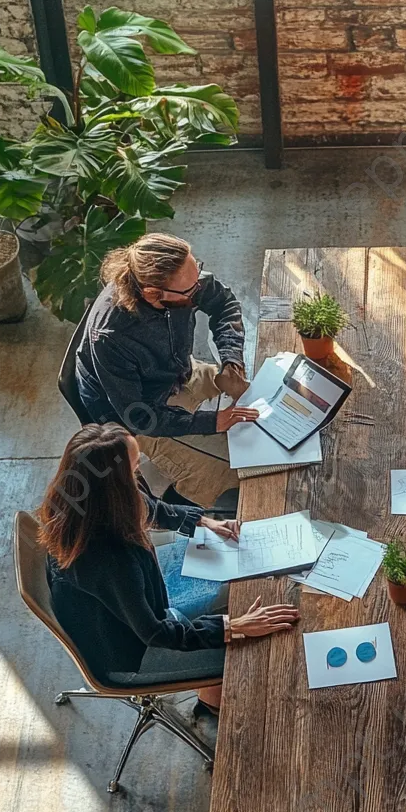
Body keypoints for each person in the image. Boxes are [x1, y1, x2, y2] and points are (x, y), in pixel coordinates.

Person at [39, 423, 299, 713]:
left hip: (128, 603)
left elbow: (145, 505)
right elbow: (155, 633)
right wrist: (235, 627)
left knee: (237, 586)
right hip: (131, 651)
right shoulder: (111, 561)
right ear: (116, 488)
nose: (138, 474)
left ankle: (211, 691)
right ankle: (212, 702)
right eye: (133, 469)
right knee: (252, 615)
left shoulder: (76, 500)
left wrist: (203, 522)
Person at [74, 233, 260, 509]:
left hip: (177, 373)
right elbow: (139, 417)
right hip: (144, 414)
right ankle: (177, 500)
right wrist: (214, 422)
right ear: (152, 293)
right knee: (243, 471)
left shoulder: (183, 281)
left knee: (260, 412)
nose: (199, 288)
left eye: (197, 275)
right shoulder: (112, 336)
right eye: (190, 290)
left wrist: (231, 360)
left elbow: (224, 304)